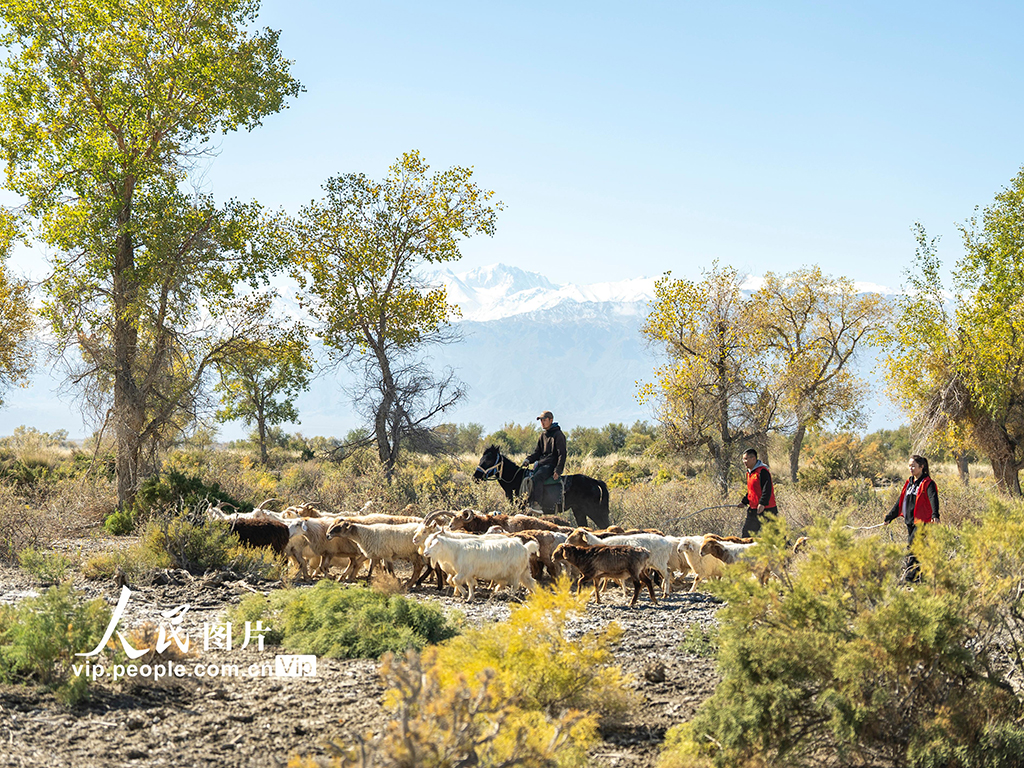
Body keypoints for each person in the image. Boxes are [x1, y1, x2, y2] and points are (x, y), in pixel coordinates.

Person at [884, 454, 939, 582]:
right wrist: (889, 517)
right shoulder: (909, 482)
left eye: (913, 466)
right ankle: (921, 576)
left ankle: (909, 577)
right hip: (910, 521)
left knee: (912, 546)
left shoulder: (927, 483)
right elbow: (900, 501)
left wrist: (935, 514)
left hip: (922, 521)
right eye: (909, 466)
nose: (911, 468)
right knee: (918, 549)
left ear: (921, 467)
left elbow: (933, 499)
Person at [524, 410, 567, 505]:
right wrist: (528, 459)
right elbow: (537, 453)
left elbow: (562, 454)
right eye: (540, 420)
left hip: (551, 465)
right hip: (541, 464)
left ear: (551, 420)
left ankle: (537, 504)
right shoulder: (543, 435)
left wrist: (558, 470)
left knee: (538, 477)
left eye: (544, 420)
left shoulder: (558, 435)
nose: (542, 422)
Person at [736, 448, 778, 537]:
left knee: (777, 536)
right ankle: (746, 551)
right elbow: (751, 491)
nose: (744, 461)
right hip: (753, 509)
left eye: (746, 459)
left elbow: (767, 489)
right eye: (743, 459)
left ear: (753, 459)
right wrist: (744, 502)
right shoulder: (749, 473)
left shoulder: (762, 471)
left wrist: (762, 503)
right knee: (747, 535)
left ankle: (790, 550)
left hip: (767, 509)